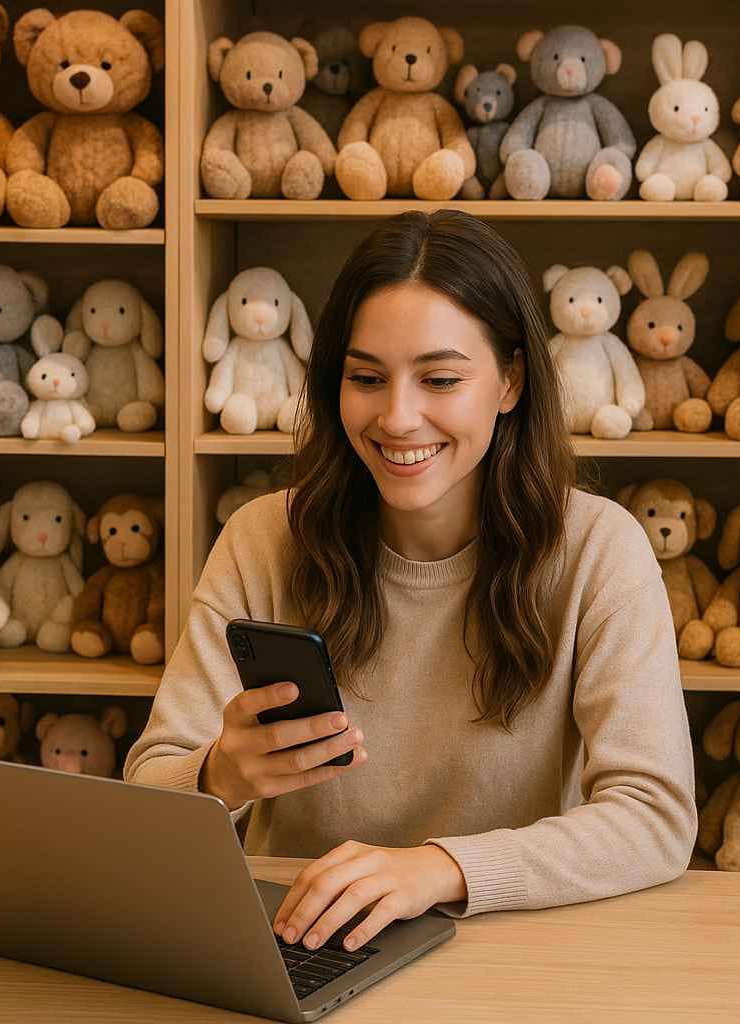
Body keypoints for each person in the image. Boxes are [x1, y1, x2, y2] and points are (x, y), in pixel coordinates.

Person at [124, 210, 697, 957]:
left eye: (441, 378)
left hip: (507, 948)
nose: (397, 418)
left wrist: (440, 869)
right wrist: (217, 777)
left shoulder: (597, 549)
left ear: (511, 380)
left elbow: (655, 817)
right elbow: (147, 793)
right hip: (299, 944)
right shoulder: (264, 539)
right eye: (366, 378)